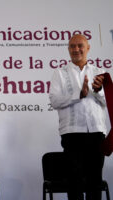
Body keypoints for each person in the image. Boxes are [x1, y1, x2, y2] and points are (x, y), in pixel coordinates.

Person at [49, 34, 107, 200]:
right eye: (72, 46)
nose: (76, 49)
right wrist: (78, 94)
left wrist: (99, 91)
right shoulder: (59, 73)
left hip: (96, 132)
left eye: (80, 45)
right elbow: (54, 101)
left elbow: (108, 102)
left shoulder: (100, 72)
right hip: (72, 133)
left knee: (94, 181)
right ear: (68, 49)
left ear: (88, 48)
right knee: (74, 181)